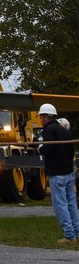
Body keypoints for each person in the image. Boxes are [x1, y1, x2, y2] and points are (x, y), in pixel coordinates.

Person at [38, 103, 79, 245]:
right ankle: (77, 232)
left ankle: (69, 236)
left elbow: (47, 149)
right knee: (71, 204)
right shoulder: (64, 131)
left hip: (57, 174)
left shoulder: (49, 129)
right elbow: (71, 152)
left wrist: (40, 149)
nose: (41, 119)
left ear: (45, 117)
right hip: (69, 173)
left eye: (41, 117)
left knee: (60, 205)